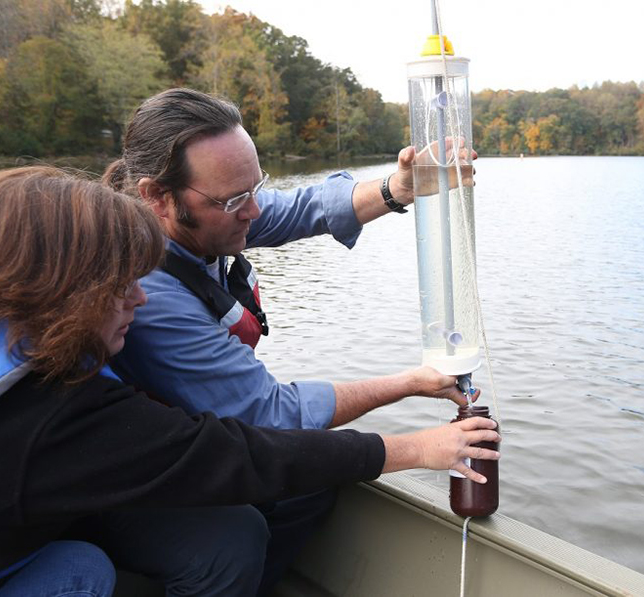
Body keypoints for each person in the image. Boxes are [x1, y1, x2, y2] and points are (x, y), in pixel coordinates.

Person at [0, 167, 500, 596]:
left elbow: (284, 212)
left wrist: (392, 188)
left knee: (229, 537)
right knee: (80, 572)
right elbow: (237, 452)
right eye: (119, 285)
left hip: (28, 511)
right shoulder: (44, 413)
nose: (138, 298)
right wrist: (414, 447)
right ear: (55, 292)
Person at [105, 88, 477, 590]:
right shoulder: (149, 293)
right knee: (230, 543)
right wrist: (409, 384)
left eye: (255, 186)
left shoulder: (202, 219)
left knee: (310, 485)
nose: (254, 211)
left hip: (205, 439)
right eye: (236, 199)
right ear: (156, 197)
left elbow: (300, 207)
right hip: (123, 476)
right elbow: (269, 416)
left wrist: (399, 187)